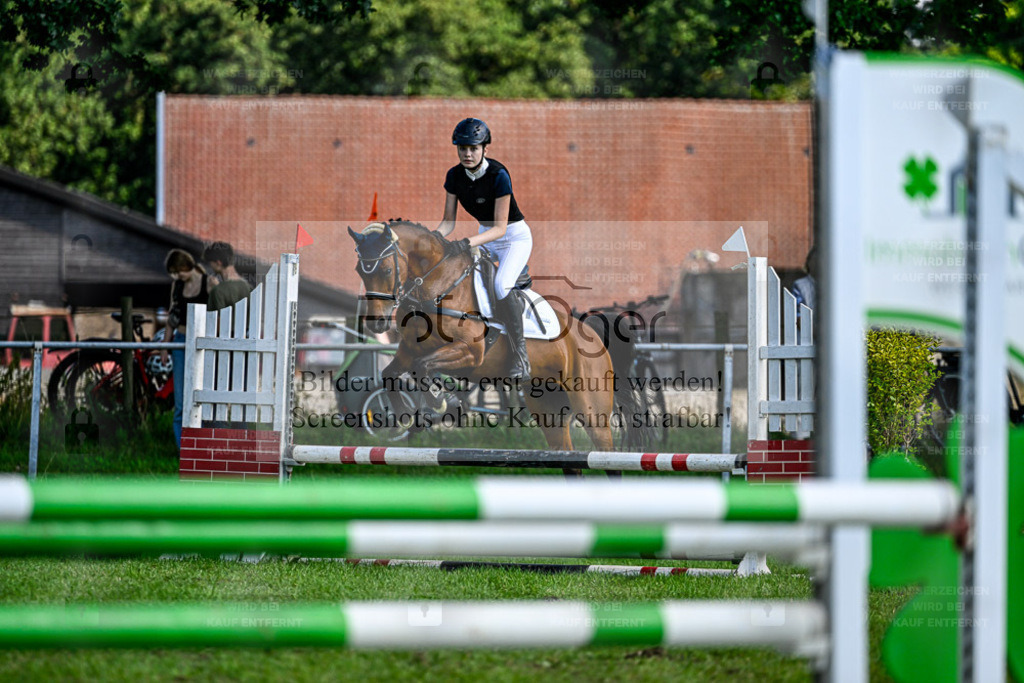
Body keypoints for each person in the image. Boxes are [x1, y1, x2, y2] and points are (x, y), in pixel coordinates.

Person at [436, 117, 532, 379]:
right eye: (463, 148)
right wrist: (431, 239)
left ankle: (521, 356)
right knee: (466, 278)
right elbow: (448, 223)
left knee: (501, 286)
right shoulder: (453, 176)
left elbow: (500, 229)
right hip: (484, 237)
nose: (467, 154)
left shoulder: (499, 175)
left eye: (473, 148)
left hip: (513, 238)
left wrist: (466, 243)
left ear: (485, 149)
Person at [159, 248, 210, 448]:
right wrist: (165, 346)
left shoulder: (208, 283)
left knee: (202, 397)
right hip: (180, 341)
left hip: (203, 343)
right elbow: (172, 317)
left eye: (179, 270)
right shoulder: (177, 285)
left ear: (187, 265)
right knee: (181, 399)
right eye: (174, 272)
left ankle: (203, 446)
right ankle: (183, 450)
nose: (178, 275)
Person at [203, 241, 251, 311]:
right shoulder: (249, 287)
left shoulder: (218, 291)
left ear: (218, 263)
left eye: (210, 262)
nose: (210, 266)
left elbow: (214, 316)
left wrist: (212, 293)